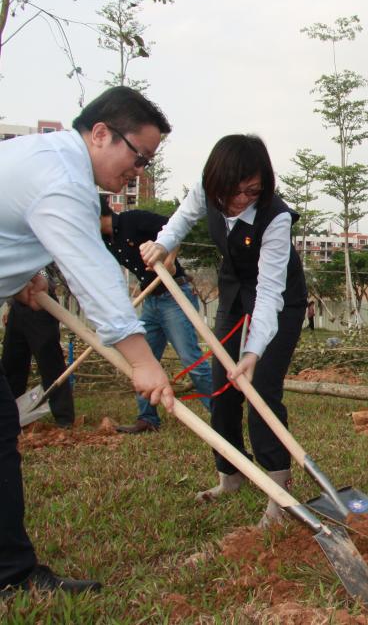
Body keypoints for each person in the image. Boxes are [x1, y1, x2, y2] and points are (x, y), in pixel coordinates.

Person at [0, 85, 175, 595]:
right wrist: (142, 360)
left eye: (147, 162)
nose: (139, 171)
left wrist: (21, 275)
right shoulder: (63, 179)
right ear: (100, 133)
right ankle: (13, 575)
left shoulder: (44, 158)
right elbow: (93, 273)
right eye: (138, 157)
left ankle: (11, 570)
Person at [141, 134, 308, 526]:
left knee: (261, 388)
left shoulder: (276, 217)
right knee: (222, 386)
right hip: (234, 294)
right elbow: (182, 218)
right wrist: (163, 245)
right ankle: (230, 474)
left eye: (253, 191)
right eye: (234, 192)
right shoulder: (207, 190)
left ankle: (279, 492)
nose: (242, 200)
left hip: (279, 300)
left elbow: (269, 293)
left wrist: (252, 352)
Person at [99, 198, 214, 433]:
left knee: (191, 359)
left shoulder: (132, 220)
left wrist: (169, 260)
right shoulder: (106, 241)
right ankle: (147, 419)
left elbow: (173, 227)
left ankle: (222, 414)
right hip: (151, 301)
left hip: (174, 296)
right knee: (142, 359)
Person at [2, 267, 75, 427]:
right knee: (12, 361)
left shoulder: (40, 255)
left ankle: (64, 417)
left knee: (49, 361)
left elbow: (55, 268)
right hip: (18, 306)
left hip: (42, 303)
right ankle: (10, 414)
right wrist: (10, 305)